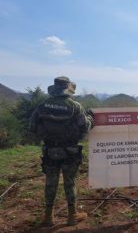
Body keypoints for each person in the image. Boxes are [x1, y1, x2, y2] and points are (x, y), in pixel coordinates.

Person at [29, 76, 94, 226]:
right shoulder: (75, 106)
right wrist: (91, 118)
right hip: (70, 151)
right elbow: (85, 127)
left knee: (50, 183)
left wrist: (46, 134)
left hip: (50, 150)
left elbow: (32, 127)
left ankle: (48, 217)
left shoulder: (43, 106)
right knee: (70, 183)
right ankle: (72, 216)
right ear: (68, 89)